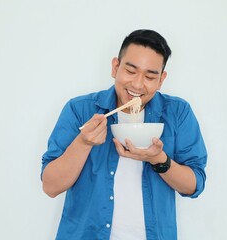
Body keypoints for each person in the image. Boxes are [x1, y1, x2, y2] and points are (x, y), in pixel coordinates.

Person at [41, 29, 207, 240]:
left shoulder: (178, 113)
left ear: (161, 80)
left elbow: (195, 185)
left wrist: (158, 159)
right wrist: (83, 142)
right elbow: (50, 186)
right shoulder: (79, 110)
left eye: (149, 76)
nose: (137, 84)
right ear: (115, 67)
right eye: (130, 71)